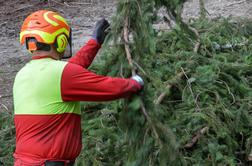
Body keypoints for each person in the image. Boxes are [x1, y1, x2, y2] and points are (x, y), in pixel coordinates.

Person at [13, 10, 143, 166]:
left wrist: (94, 43)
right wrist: (136, 82)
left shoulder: (23, 74)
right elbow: (106, 87)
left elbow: (69, 70)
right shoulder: (61, 74)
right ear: (61, 41)